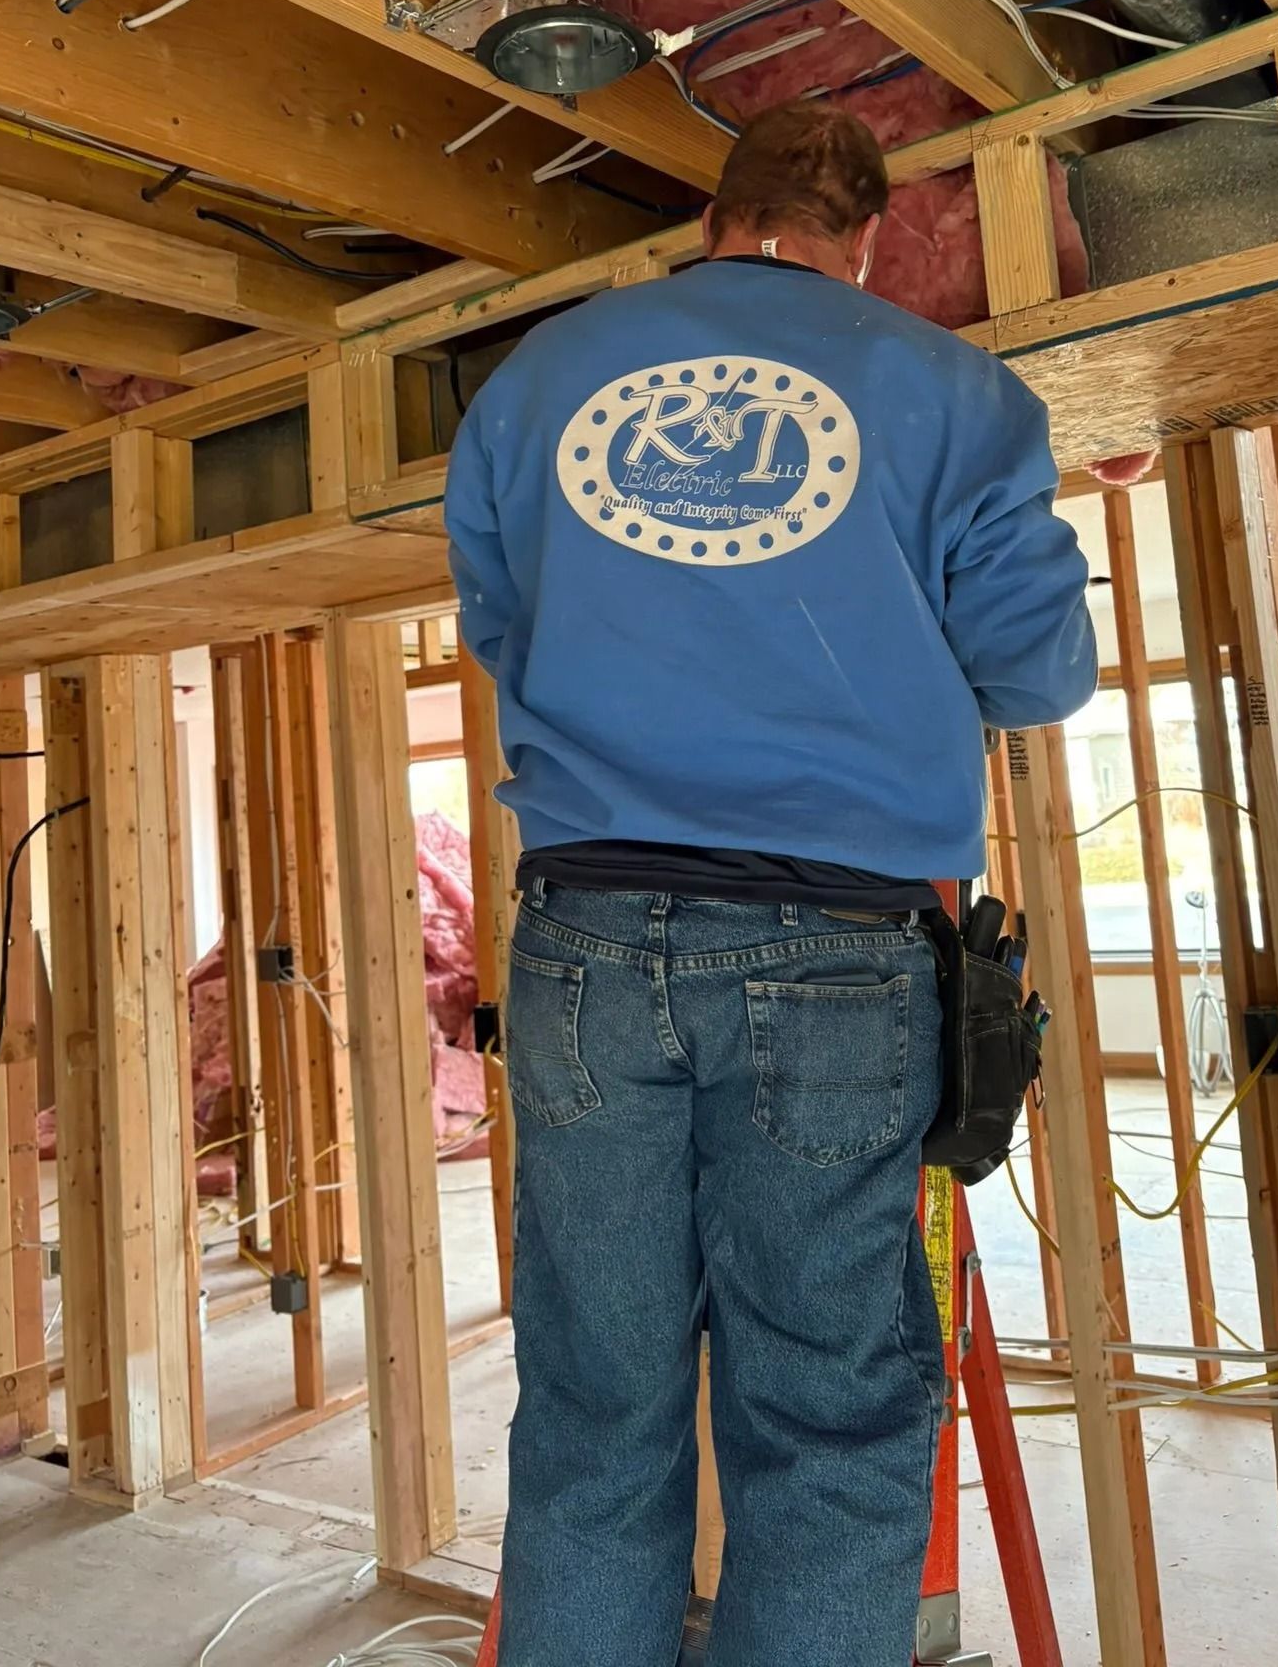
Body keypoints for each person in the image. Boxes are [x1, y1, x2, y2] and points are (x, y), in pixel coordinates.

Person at [446, 101, 1097, 1667]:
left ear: (713, 224)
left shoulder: (536, 383)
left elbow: (501, 628)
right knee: (824, 1423)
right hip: (838, 948)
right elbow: (1042, 673)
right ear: (866, 245)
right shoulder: (953, 392)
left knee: (596, 1409)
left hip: (584, 941)